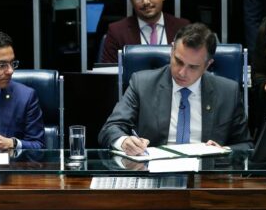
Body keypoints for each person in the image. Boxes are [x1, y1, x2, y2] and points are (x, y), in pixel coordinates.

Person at [98, 23, 252, 154]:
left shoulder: (228, 92)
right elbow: (111, 129)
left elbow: (245, 145)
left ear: (208, 65)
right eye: (178, 61)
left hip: (206, 177)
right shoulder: (142, 83)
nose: (182, 72)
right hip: (153, 174)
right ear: (172, 50)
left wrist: (224, 151)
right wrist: (124, 141)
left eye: (193, 67)